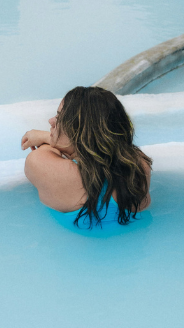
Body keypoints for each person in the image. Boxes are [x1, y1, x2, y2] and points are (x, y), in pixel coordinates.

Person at [21, 86, 152, 227]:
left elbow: (43, 156)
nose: (51, 121)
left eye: (59, 117)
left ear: (78, 132)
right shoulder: (140, 166)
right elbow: (117, 147)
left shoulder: (49, 167)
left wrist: (46, 139)